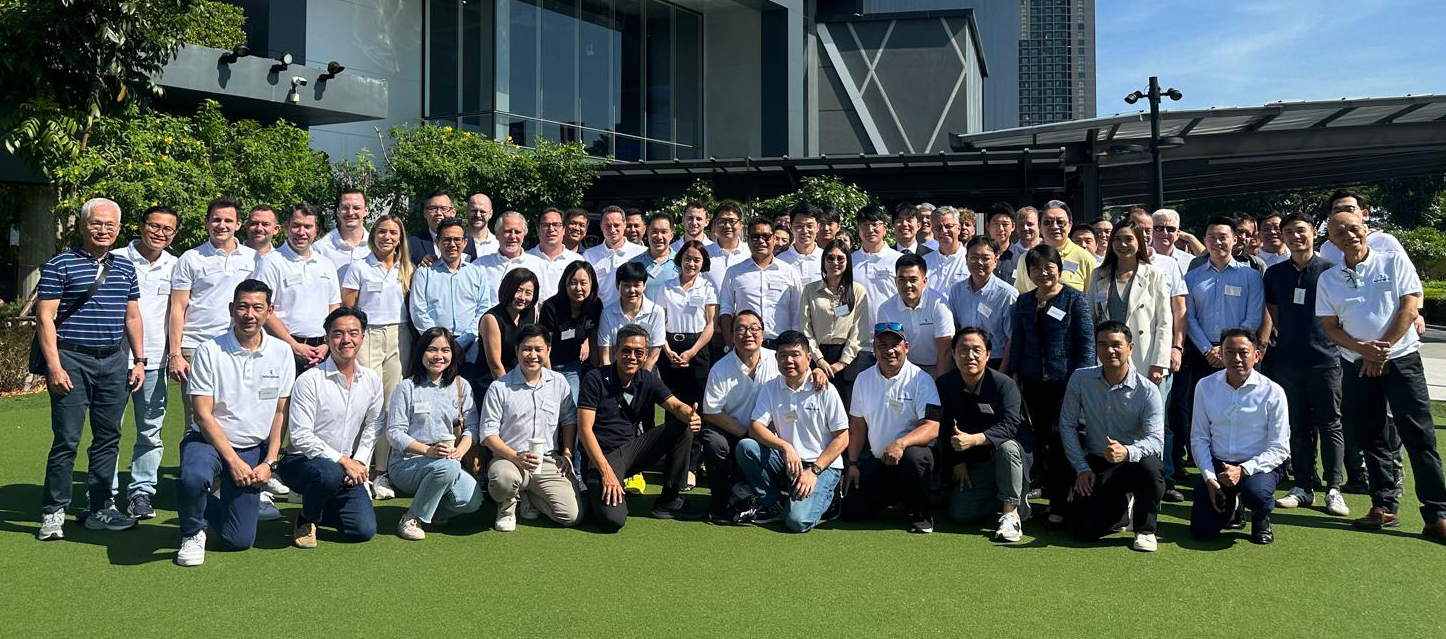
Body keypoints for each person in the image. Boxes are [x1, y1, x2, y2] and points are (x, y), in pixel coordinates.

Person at [1317, 209, 1446, 541]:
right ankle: (1384, 506)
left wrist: (1381, 349)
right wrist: (1364, 350)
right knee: (1371, 436)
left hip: (1401, 360)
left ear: (1365, 228)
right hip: (1357, 365)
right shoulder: (1329, 279)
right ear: (1332, 241)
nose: (1349, 236)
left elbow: (1409, 308)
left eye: (1354, 228)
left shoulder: (1392, 260)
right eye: (1340, 232)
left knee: (1420, 436)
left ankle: (1437, 513)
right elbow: (1330, 327)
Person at [35, 197, 146, 540]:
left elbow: (132, 316)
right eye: (96, 223)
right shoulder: (61, 264)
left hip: (114, 361)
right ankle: (54, 511)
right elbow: (45, 318)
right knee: (67, 439)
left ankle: (100, 507)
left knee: (108, 439)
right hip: (72, 359)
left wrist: (139, 360)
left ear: (118, 229)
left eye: (110, 225)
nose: (103, 230)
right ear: (83, 225)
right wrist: (54, 366)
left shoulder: (125, 267)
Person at [172, 279, 294, 564]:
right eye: (242, 307)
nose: (249, 315)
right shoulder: (209, 350)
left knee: (238, 539)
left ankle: (198, 502)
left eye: (257, 308)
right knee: (193, 477)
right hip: (208, 443)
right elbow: (202, 414)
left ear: (269, 311)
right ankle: (192, 532)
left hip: (252, 448)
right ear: (231, 309)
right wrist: (233, 461)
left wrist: (269, 462)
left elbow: (280, 413)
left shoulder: (282, 352)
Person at [1260, 213, 1349, 517]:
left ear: (1314, 232)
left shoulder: (1332, 270)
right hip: (1288, 361)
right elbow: (1273, 315)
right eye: (1288, 232)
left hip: (1326, 360)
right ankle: (1303, 486)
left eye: (1300, 230)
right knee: (1296, 426)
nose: (1295, 237)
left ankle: (1333, 488)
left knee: (1330, 423)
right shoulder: (1275, 274)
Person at [578, 324, 703, 532]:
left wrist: (689, 414)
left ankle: (669, 500)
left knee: (683, 427)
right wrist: (606, 471)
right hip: (601, 457)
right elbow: (584, 430)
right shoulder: (595, 379)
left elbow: (674, 406)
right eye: (626, 350)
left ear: (646, 355)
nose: (632, 357)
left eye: (638, 352)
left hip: (631, 452)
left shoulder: (647, 379)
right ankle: (594, 489)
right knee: (613, 521)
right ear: (616, 351)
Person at [277, 307, 384, 548]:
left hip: (345, 467)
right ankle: (307, 518)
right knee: (329, 474)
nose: (346, 340)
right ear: (327, 339)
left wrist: (359, 461)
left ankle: (319, 502)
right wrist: (343, 461)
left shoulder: (371, 379)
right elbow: (300, 436)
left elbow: (374, 424)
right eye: (338, 334)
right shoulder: (309, 380)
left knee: (362, 530)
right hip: (301, 462)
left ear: (362, 338)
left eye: (353, 333)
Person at [1006, 244, 1093, 528]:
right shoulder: (1024, 301)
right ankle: (1048, 495)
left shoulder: (1074, 299)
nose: (1043, 273)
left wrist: (1082, 380)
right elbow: (1018, 340)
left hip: (1066, 382)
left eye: (1048, 267)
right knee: (1041, 439)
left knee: (1061, 439)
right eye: (1036, 268)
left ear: (1059, 269)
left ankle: (1061, 504)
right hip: (1032, 382)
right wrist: (1015, 373)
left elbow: (1086, 343)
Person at [1059, 321, 1166, 551]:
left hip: (1134, 463)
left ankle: (1145, 530)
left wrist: (1127, 451)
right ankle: (1121, 510)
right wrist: (1082, 467)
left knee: (1151, 467)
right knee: (1084, 531)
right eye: (1103, 344)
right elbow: (1067, 424)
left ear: (1130, 348)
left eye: (1116, 344)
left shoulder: (1148, 390)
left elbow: (1156, 441)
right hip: (1097, 462)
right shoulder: (1080, 379)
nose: (1110, 350)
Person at [733, 330, 849, 532]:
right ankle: (773, 503)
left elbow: (842, 437)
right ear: (776, 358)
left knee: (797, 521)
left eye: (795, 355)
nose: (788, 361)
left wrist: (814, 471)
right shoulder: (771, 387)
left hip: (821, 465)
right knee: (747, 447)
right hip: (789, 461)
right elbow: (755, 427)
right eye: (783, 355)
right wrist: (785, 447)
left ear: (808, 358)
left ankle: (829, 500)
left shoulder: (825, 389)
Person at [109, 205, 180, 519]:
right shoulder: (114, 258)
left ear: (174, 234)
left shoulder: (176, 265)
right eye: (154, 226)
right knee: (108, 432)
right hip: (113, 360)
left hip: (154, 362)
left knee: (150, 432)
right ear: (140, 226)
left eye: (167, 229)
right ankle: (104, 494)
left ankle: (141, 493)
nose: (159, 233)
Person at [1189, 329, 1289, 545]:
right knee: (1202, 531)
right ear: (1221, 355)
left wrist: (1243, 470)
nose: (1236, 358)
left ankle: (1261, 517)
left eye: (1243, 352)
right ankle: (1233, 505)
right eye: (1229, 352)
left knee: (1257, 492)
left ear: (1257, 355)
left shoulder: (1273, 392)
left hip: (1258, 466)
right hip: (1219, 464)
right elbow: (1199, 438)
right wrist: (1209, 478)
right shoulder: (1205, 386)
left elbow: (1280, 448)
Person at [481, 324, 583, 531]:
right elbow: (487, 434)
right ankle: (507, 505)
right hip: (509, 459)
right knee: (503, 481)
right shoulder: (500, 387)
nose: (532, 355)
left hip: (547, 460)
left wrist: (567, 453)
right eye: (527, 349)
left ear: (548, 350)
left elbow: (569, 420)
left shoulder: (558, 382)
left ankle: (527, 494)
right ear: (517, 350)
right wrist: (515, 457)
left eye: (538, 349)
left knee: (571, 516)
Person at [841, 323, 941, 534]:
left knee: (914, 458)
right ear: (874, 349)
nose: (889, 351)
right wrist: (852, 463)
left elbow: (932, 428)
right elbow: (857, 425)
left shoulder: (922, 380)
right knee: (852, 511)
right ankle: (895, 496)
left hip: (912, 457)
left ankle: (921, 514)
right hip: (880, 459)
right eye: (882, 345)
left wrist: (900, 444)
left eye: (895, 344)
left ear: (906, 347)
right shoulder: (863, 379)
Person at [340, 214, 414, 498]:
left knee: (391, 404)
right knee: (366, 402)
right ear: (373, 235)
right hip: (367, 335)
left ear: (400, 238)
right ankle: (360, 467)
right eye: (382, 231)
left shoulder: (407, 268)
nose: (387, 237)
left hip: (399, 335)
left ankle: (381, 472)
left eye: (393, 233)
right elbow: (348, 308)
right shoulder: (359, 266)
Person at [168, 198, 257, 434]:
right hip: (196, 346)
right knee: (197, 419)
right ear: (207, 222)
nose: (221, 225)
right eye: (216, 220)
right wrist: (175, 353)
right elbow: (177, 307)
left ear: (238, 224)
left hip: (238, 346)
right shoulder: (190, 258)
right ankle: (194, 459)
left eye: (228, 220)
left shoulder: (254, 259)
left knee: (236, 415)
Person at [388, 327, 484, 540]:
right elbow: (394, 433)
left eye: (445, 350)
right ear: (421, 352)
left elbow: (473, 427)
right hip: (408, 463)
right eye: (432, 350)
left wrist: (460, 451)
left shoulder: (461, 386)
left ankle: (432, 512)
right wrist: (427, 451)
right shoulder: (406, 387)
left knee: (471, 501)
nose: (439, 356)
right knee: (448, 467)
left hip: (449, 460)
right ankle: (412, 518)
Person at [936, 328, 1031, 542]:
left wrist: (975, 439)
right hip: (976, 463)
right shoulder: (944, 385)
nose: (970, 356)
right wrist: (957, 462)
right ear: (953, 354)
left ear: (988, 354)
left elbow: (1011, 426)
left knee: (1007, 447)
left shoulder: (1004, 384)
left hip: (1009, 458)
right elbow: (943, 428)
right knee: (960, 513)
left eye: (977, 350)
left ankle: (1011, 514)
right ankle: (1011, 498)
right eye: (963, 350)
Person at [1182, 216, 1264, 450]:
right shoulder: (1192, 277)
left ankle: (1243, 451)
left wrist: (1227, 349)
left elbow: (1253, 317)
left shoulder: (1251, 276)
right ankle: (1203, 453)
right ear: (1205, 240)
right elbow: (1189, 317)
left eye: (1223, 237)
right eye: (1211, 237)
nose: (1217, 242)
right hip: (1203, 352)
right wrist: (1209, 349)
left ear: (1235, 239)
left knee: (1243, 404)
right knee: (1205, 407)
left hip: (1241, 353)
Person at [700, 311, 779, 523]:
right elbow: (712, 412)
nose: (748, 334)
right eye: (741, 329)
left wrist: (816, 373)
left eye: (754, 328)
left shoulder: (777, 359)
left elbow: (800, 376)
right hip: (734, 431)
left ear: (763, 332)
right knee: (712, 440)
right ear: (732, 334)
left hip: (772, 432)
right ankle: (720, 503)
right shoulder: (720, 368)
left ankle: (771, 498)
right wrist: (747, 433)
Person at [252, 203, 342, 373]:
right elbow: (262, 309)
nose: (301, 232)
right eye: (296, 226)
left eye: (308, 227)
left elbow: (334, 306)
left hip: (322, 351)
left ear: (316, 230)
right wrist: (293, 344)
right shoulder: (271, 263)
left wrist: (327, 344)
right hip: (283, 348)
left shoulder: (326, 264)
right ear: (286, 227)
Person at [1085, 218, 1171, 389]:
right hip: (1109, 355)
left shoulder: (1154, 274)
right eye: (1117, 239)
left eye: (1129, 239)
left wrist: (1159, 362)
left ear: (1139, 243)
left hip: (1144, 356)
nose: (1122, 244)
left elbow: (1164, 322)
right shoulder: (1099, 274)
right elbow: (1090, 319)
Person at [409, 218, 495, 382]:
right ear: (437, 242)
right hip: (433, 349)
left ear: (465, 242)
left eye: (457, 239)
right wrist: (441, 343)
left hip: (469, 348)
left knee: (468, 394)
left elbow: (483, 309)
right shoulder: (424, 273)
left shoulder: (477, 273)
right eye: (447, 239)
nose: (452, 244)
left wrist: (462, 342)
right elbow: (418, 312)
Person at [656, 241, 718, 438]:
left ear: (703, 263)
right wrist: (667, 351)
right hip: (671, 348)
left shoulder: (708, 287)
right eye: (687, 259)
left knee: (697, 399)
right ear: (680, 259)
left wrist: (692, 352)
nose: (691, 264)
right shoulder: (666, 287)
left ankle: (695, 449)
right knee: (671, 399)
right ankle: (672, 448)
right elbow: (659, 323)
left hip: (698, 347)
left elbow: (711, 324)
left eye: (696, 260)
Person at [800, 240, 868, 409]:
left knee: (845, 408)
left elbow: (859, 330)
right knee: (815, 408)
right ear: (823, 261)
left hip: (847, 359)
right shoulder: (810, 290)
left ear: (847, 261)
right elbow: (805, 328)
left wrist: (842, 363)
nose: (835, 262)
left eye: (840, 258)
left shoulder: (857, 291)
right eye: (830, 258)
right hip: (817, 356)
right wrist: (819, 359)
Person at [719, 218, 802, 348]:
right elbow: (726, 309)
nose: (761, 241)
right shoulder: (734, 272)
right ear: (748, 240)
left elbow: (797, 311)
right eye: (755, 237)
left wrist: (794, 344)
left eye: (766, 236)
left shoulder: (789, 272)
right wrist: (730, 344)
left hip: (782, 346)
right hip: (746, 344)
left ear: (774, 239)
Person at [876, 253, 953, 376]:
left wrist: (940, 383)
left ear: (924, 281)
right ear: (895, 281)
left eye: (913, 280)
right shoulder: (886, 309)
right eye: (902, 280)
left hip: (937, 366)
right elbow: (886, 349)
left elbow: (945, 351)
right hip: (904, 369)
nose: (907, 285)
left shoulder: (938, 304)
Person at [947, 237, 1017, 369]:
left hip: (995, 361)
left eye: (985, 258)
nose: (979, 262)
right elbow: (954, 327)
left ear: (995, 261)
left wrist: (1002, 372)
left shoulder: (1007, 294)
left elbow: (1012, 338)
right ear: (966, 259)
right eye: (974, 257)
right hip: (966, 359)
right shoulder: (957, 290)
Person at [539, 261, 602, 401]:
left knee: (572, 404)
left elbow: (593, 339)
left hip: (571, 366)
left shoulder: (595, 306)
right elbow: (544, 346)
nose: (578, 288)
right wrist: (549, 377)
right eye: (573, 282)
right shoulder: (551, 307)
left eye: (583, 283)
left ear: (592, 284)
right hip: (548, 365)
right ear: (565, 283)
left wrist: (595, 371)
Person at [852, 205, 903, 370]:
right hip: (858, 345)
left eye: (875, 224)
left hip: (893, 341)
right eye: (865, 225)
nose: (870, 229)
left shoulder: (898, 260)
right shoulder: (849, 260)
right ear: (858, 229)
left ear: (885, 228)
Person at [477, 268, 540, 390]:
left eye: (528, 293)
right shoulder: (491, 319)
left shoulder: (532, 313)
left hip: (522, 379)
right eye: (518, 291)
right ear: (508, 289)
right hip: (495, 382)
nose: (522, 297)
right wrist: (509, 392)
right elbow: (495, 364)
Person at [1014, 200, 1095, 294]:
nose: (1054, 227)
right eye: (1048, 222)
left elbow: (1093, 298)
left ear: (1070, 225)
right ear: (1039, 226)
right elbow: (1021, 294)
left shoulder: (1085, 259)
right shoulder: (1025, 258)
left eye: (1060, 222)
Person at [598, 262, 666, 369]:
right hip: (615, 371)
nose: (632, 290)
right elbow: (605, 356)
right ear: (617, 285)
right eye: (626, 285)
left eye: (636, 285)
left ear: (644, 285)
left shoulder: (656, 312)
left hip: (646, 370)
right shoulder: (607, 313)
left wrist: (642, 377)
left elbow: (653, 356)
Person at [472, 211, 547, 301]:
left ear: (524, 235)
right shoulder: (479, 265)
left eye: (517, 232)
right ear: (497, 235)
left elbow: (543, 300)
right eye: (507, 231)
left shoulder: (538, 265)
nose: (512, 236)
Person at [582, 205, 647, 308]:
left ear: (624, 225)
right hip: (601, 313)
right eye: (608, 226)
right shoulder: (590, 255)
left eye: (616, 225)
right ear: (601, 226)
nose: (612, 230)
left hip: (633, 313)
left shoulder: (641, 252)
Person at [406, 190, 480, 265]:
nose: (438, 213)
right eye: (433, 208)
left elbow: (473, 269)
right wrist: (419, 267)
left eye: (443, 208)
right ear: (425, 213)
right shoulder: (412, 243)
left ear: (453, 212)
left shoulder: (467, 240)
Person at [527, 207, 584, 302]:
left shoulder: (577, 261)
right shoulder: (525, 259)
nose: (551, 229)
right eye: (545, 225)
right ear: (538, 230)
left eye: (556, 225)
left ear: (564, 229)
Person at [703, 201, 751, 311]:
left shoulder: (750, 253)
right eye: (722, 221)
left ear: (741, 225)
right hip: (711, 317)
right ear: (714, 225)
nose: (727, 226)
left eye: (732, 221)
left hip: (744, 317)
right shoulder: (703, 254)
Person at [314, 188, 371, 275]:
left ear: (365, 211)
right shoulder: (320, 249)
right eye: (345, 208)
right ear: (338, 211)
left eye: (356, 208)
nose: (350, 213)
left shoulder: (376, 247)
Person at [628, 212, 678, 300]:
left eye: (664, 232)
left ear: (671, 235)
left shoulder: (680, 262)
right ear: (648, 233)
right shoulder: (634, 263)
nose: (659, 237)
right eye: (654, 232)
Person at [922, 206, 971, 295]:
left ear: (959, 229)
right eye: (938, 228)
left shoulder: (971, 259)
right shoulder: (924, 262)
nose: (944, 231)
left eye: (948, 226)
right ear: (933, 232)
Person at [778, 204, 824, 285]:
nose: (805, 231)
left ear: (818, 227)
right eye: (799, 226)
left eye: (810, 226)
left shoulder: (827, 258)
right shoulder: (780, 261)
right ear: (790, 227)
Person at [986, 203, 1020, 281]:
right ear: (988, 226)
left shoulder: (1021, 257)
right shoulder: (980, 256)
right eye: (996, 224)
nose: (1001, 229)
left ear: (1013, 226)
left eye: (1005, 224)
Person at [463, 192, 500, 257]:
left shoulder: (498, 245)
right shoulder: (456, 242)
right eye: (474, 210)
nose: (478, 215)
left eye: (482, 211)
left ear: (490, 214)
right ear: (467, 211)